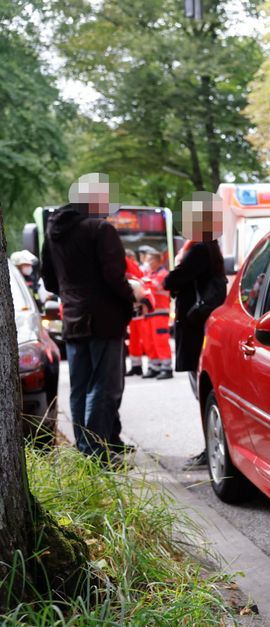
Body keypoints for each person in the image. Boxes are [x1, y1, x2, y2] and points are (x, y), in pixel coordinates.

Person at [40, 173, 134, 463]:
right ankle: (96, 454)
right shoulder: (100, 229)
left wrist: (72, 293)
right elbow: (113, 277)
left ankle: (85, 449)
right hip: (104, 318)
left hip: (73, 319)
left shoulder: (54, 232)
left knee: (80, 386)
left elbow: (50, 282)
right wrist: (130, 299)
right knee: (103, 387)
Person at [163, 192, 227, 470]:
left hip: (196, 327)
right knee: (205, 392)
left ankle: (210, 449)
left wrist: (175, 275)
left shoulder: (199, 248)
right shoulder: (210, 247)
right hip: (201, 324)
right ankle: (211, 447)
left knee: (203, 392)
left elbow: (170, 280)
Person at [139, 245, 173, 379]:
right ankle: (154, 366)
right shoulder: (149, 275)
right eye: (147, 261)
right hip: (149, 314)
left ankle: (166, 368)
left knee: (160, 341)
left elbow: (152, 287)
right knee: (149, 342)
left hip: (160, 314)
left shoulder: (163, 274)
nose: (147, 263)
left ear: (158, 261)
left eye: (150, 260)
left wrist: (143, 282)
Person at [124, 249, 152, 377]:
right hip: (132, 306)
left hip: (139, 306)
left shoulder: (134, 268)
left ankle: (150, 366)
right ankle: (136, 365)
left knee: (142, 338)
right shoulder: (132, 269)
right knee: (134, 339)